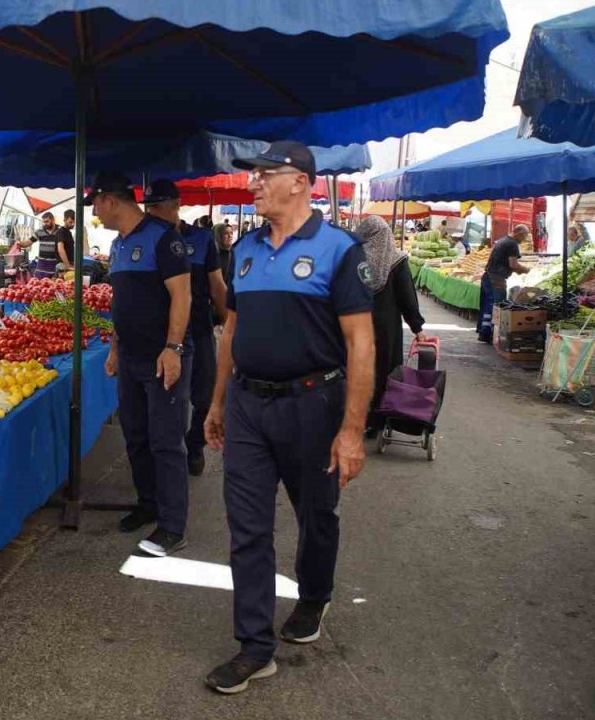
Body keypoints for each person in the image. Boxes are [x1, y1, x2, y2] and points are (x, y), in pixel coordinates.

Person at [203, 141, 375, 695]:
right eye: (252, 176)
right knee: (247, 528)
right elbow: (232, 330)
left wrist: (351, 431)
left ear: (300, 182)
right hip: (249, 406)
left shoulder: (338, 250)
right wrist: (218, 402)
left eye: (263, 175)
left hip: (313, 405)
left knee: (316, 516)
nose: (252, 184)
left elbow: (361, 344)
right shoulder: (245, 251)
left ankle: (314, 596)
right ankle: (255, 646)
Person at [93, 171, 194, 558]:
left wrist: (173, 347)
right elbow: (122, 304)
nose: (96, 215)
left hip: (161, 357)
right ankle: (147, 503)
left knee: (166, 441)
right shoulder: (118, 245)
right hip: (131, 358)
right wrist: (116, 349)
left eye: (97, 206)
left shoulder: (164, 238)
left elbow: (182, 297)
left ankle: (172, 526)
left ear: (110, 200)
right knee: (135, 435)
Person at [144, 179, 227, 477]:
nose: (151, 213)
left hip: (200, 330)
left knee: (204, 397)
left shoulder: (202, 239)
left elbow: (217, 287)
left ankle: (195, 446)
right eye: (148, 207)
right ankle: (170, 455)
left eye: (157, 206)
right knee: (169, 402)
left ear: (176, 206)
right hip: (162, 334)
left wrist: (229, 325)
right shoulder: (147, 239)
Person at [356, 217, 427, 434]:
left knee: (356, 370)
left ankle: (351, 417)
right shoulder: (396, 261)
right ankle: (375, 422)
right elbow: (407, 297)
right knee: (382, 371)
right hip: (385, 328)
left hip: (355, 323)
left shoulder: (354, 259)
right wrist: (418, 328)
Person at [477, 225, 531, 343]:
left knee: (488, 305)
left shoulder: (503, 240)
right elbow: (513, 265)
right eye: (524, 236)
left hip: (488, 276)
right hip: (497, 279)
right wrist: (527, 270)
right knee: (497, 307)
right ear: (518, 233)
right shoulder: (512, 244)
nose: (524, 239)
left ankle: (484, 333)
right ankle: (493, 335)